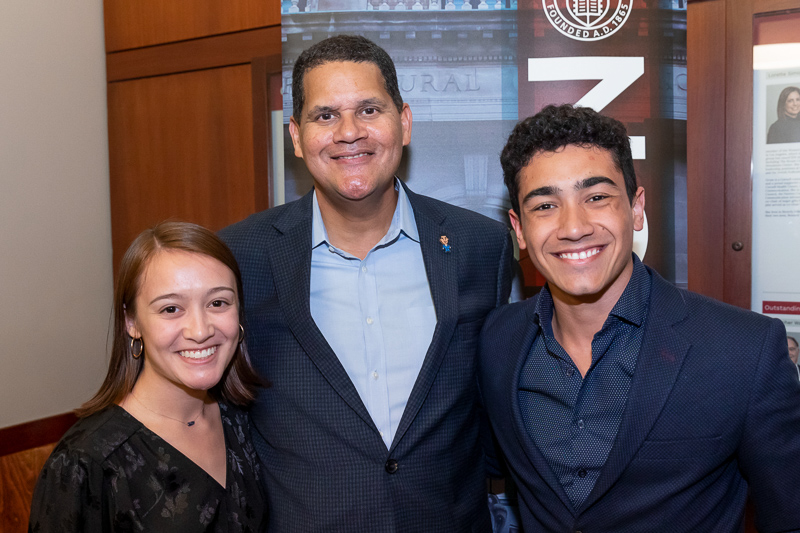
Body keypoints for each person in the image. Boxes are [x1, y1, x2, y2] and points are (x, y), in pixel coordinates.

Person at [219, 35, 513, 532]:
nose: (349, 133)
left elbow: (493, 398)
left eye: (369, 109)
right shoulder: (239, 257)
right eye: (325, 115)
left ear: (405, 122)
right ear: (295, 136)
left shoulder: (481, 247)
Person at [478, 104, 800, 532]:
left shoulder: (742, 350)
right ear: (518, 229)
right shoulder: (498, 341)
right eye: (545, 206)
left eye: (596, 198)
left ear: (636, 208)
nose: (573, 227)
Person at [29, 222, 266, 532]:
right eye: (171, 309)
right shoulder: (86, 462)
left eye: (217, 303)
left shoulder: (243, 420)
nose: (201, 330)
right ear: (132, 322)